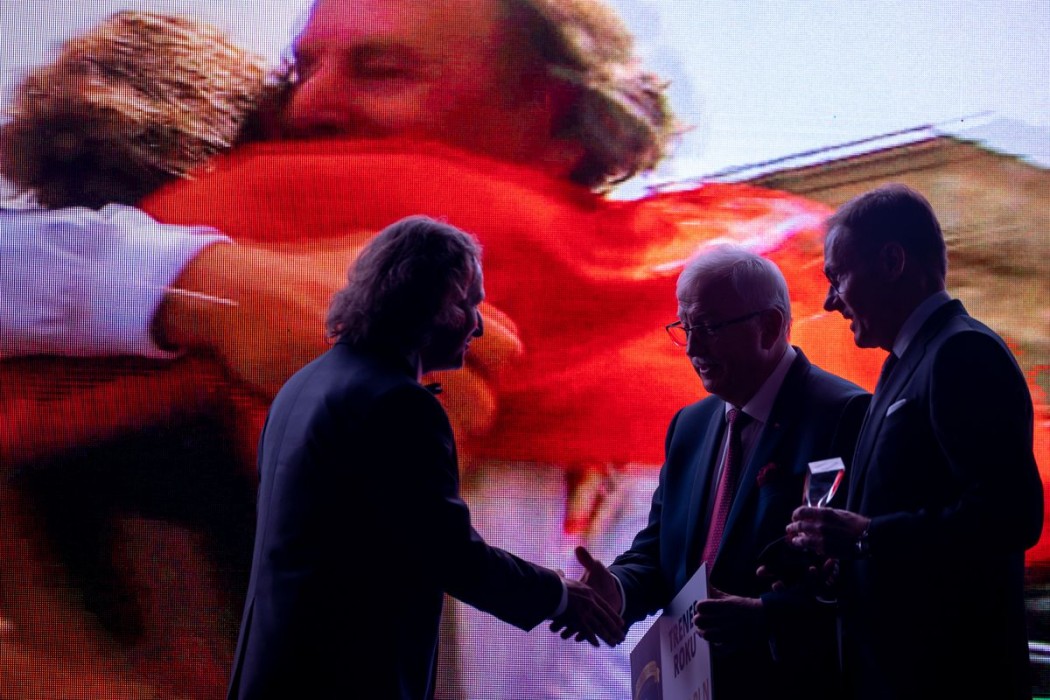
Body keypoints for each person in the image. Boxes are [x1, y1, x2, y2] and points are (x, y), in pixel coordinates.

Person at [0, 2, 930, 698]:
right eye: (299, 70)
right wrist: (196, 285)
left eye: (381, 70)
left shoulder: (722, 400)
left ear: (552, 116)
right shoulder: (182, 278)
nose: (311, 105)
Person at [225, 215, 624, 700]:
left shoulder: (306, 385)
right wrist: (559, 597)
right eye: (463, 306)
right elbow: (453, 555)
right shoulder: (399, 404)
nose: (478, 324)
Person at [559, 244, 869, 700]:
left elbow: (867, 573)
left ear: (769, 327)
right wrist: (618, 589)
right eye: (685, 328)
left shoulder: (843, 415)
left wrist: (768, 616)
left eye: (707, 328)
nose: (693, 348)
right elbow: (660, 552)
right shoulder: (690, 425)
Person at [786, 184, 1044, 699]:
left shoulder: (962, 352)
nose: (830, 301)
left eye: (838, 277)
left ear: (892, 262)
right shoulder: (903, 365)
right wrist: (838, 561)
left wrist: (867, 537)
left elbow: (1012, 515)